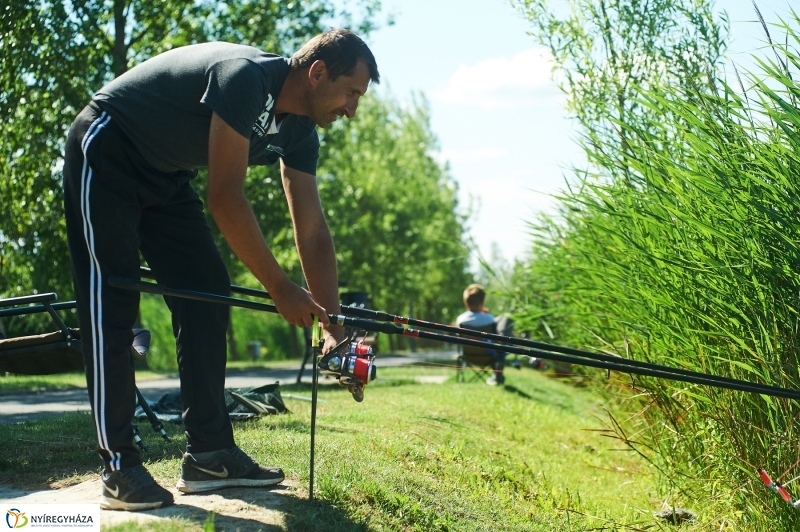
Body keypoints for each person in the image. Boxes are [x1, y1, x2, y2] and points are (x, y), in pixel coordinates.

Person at [61, 29, 379, 511]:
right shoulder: (245, 78)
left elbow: (312, 231)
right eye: (351, 92)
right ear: (317, 73)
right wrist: (280, 288)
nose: (353, 110)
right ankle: (119, 468)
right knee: (111, 302)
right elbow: (225, 196)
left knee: (206, 293)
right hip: (107, 149)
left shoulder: (300, 133)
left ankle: (209, 453)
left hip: (167, 175)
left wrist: (335, 330)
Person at [455, 284, 507, 385]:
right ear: (482, 302)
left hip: (467, 356)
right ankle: (497, 376)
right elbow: (496, 340)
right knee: (502, 350)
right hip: (489, 357)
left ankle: (496, 377)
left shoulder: (461, 320)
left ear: (465, 302)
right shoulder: (489, 318)